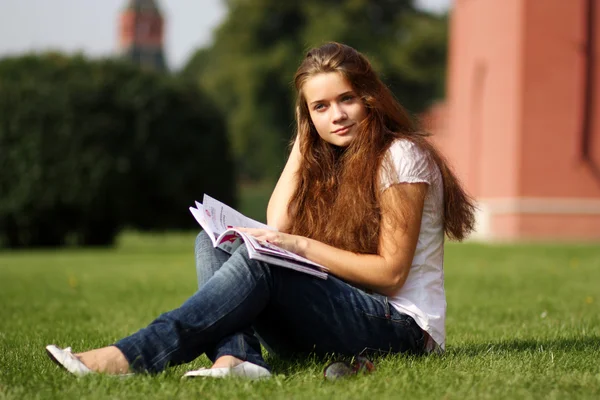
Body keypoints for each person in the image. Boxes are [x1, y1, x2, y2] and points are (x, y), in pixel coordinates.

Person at [45, 42, 476, 379]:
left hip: (401, 331)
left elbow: (391, 274)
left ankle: (129, 356)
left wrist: (300, 246)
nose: (337, 116)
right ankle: (237, 361)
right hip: (336, 322)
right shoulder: (331, 159)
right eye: (320, 107)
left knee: (260, 258)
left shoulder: (401, 156)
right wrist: (304, 141)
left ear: (370, 97)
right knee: (215, 242)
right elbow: (278, 226)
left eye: (346, 99)